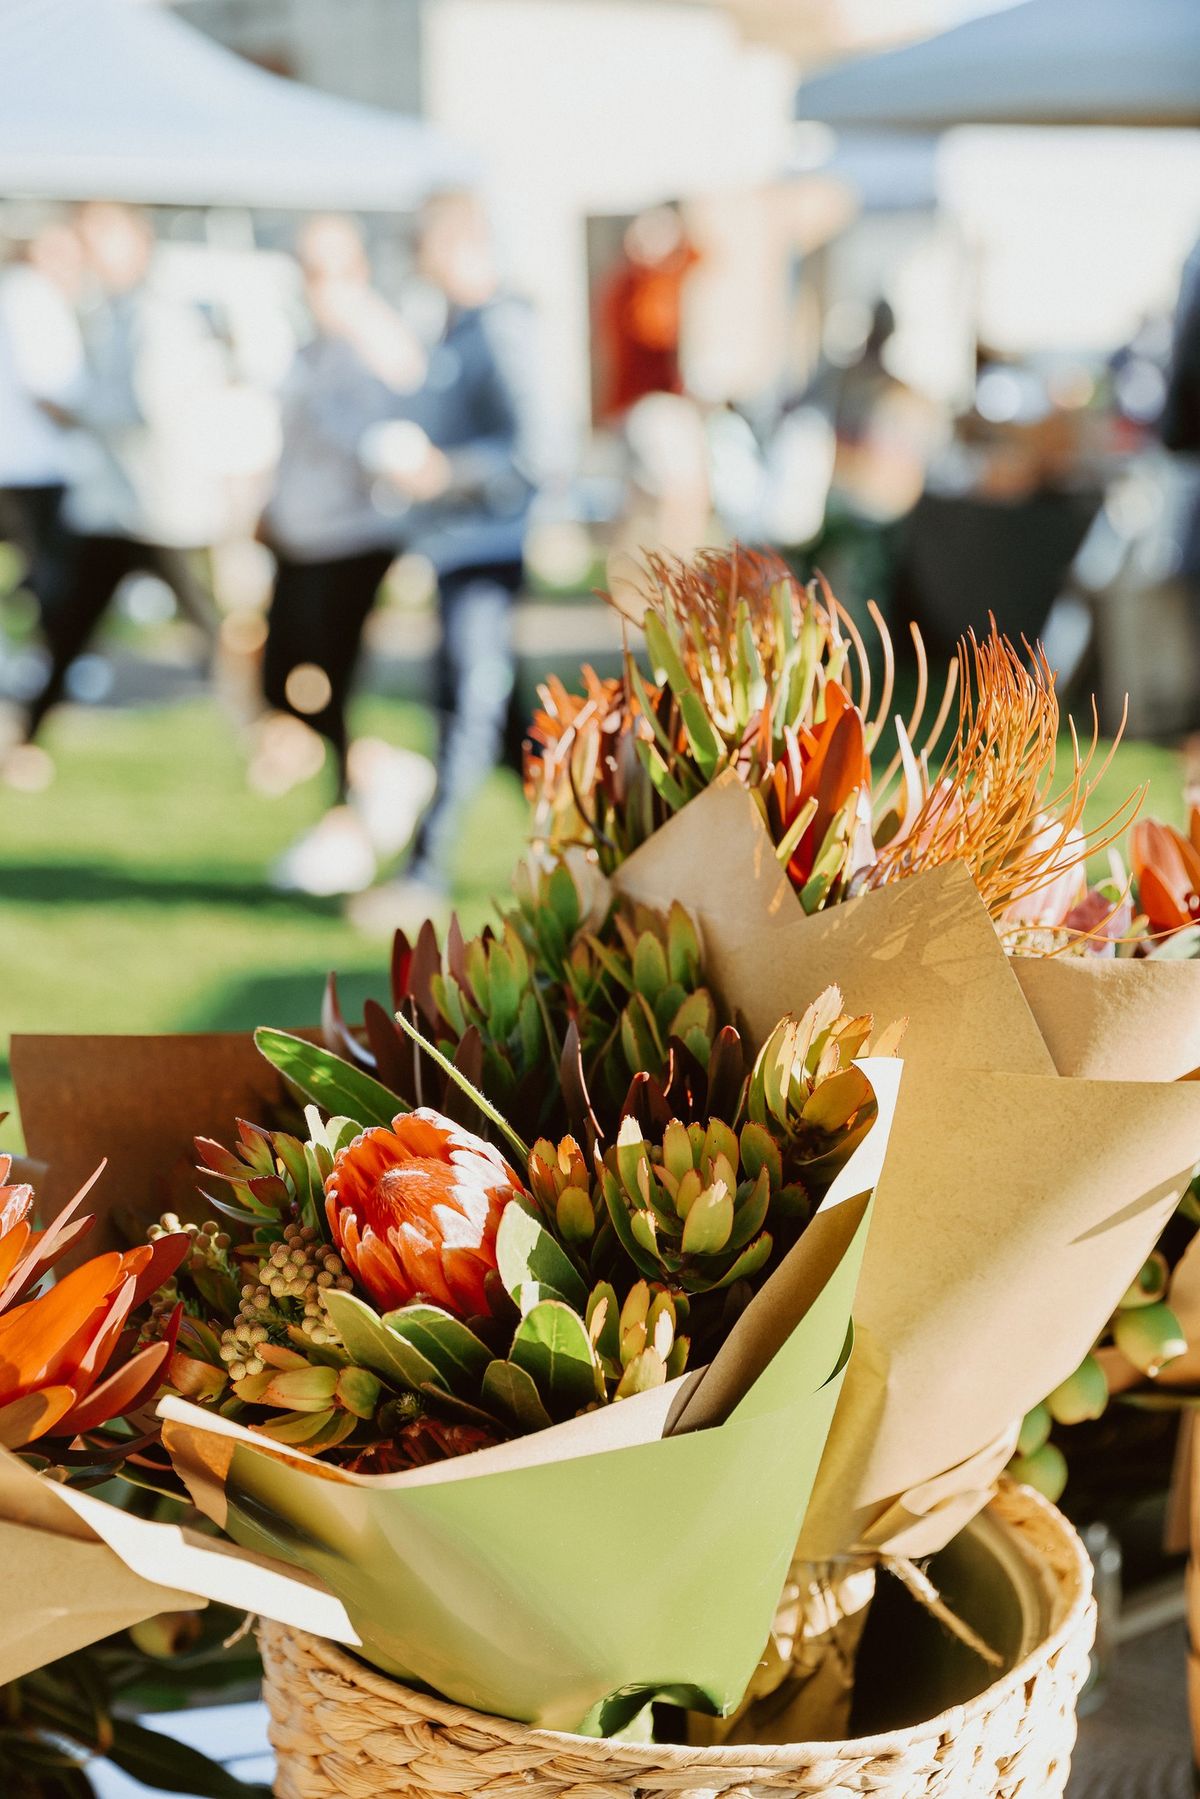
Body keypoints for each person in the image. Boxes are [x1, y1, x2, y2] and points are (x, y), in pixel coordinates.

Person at [351, 189, 540, 928]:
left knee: (465, 706)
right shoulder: (454, 330)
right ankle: (599, 856)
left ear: (462, 243)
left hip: (490, 548)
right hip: (456, 547)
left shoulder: (504, 330)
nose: (413, 259)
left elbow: (536, 451)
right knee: (505, 723)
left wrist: (444, 473)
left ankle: (424, 873)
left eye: (421, 244)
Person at [258, 214, 430, 895]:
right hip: (301, 532)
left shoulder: (375, 339)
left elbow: (397, 430)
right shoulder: (312, 345)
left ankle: (348, 810)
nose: (315, 284)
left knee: (332, 675)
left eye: (326, 269)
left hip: (353, 536)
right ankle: (374, 778)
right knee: (282, 677)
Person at [16, 203, 225, 759]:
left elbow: (146, 405)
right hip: (114, 506)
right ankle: (25, 741)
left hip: (156, 507)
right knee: (67, 627)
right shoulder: (105, 310)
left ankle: (266, 731)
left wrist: (75, 412)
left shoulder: (156, 316)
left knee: (207, 632)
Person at [0, 221, 85, 738]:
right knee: (48, 580)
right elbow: (48, 388)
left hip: (22, 462)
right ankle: (42, 668)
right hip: (32, 466)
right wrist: (101, 428)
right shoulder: (32, 298)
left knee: (33, 577)